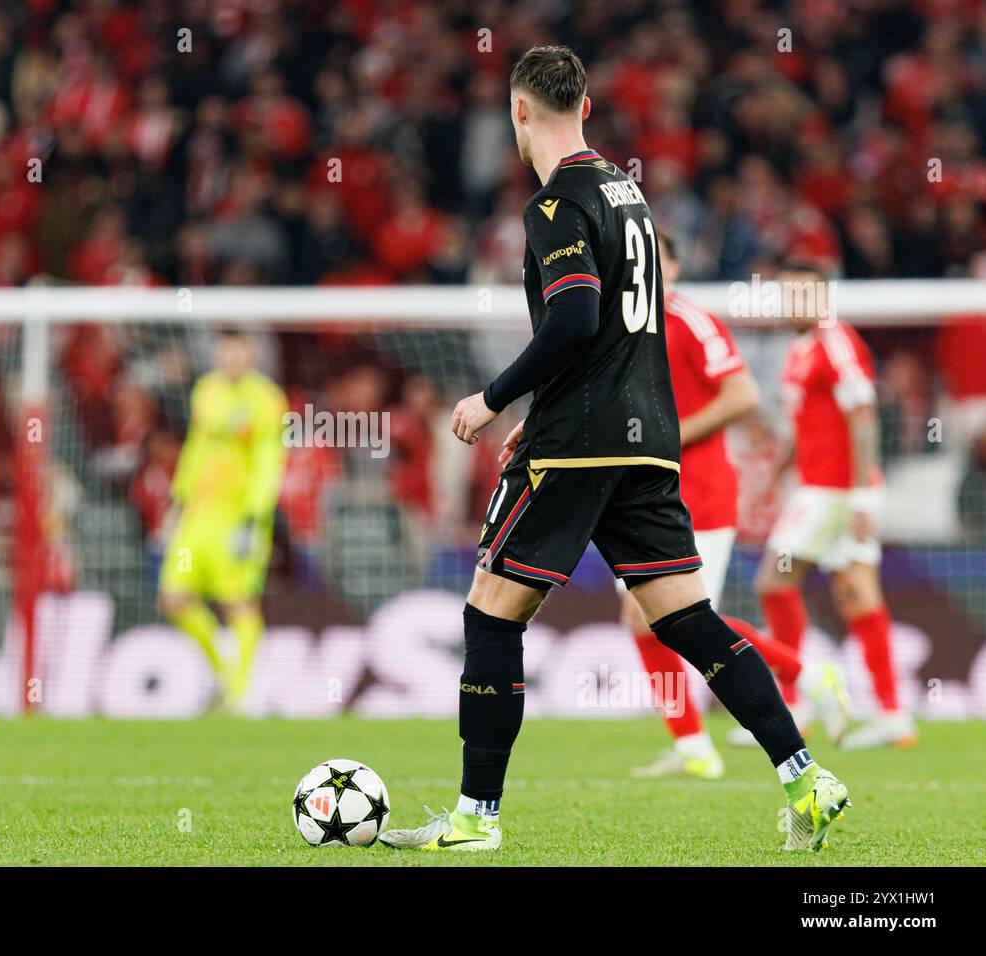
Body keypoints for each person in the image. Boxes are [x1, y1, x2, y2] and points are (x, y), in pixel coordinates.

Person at [379, 46, 849, 853]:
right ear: (586, 106)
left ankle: (473, 819)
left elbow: (575, 321)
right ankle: (806, 775)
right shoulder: (631, 196)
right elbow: (624, 330)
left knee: (491, 615)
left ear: (520, 113)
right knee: (690, 620)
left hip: (579, 446)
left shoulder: (556, 206)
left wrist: (493, 400)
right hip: (648, 439)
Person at [623, 232, 849, 780]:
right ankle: (694, 746)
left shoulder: (691, 321)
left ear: (674, 265)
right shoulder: (620, 323)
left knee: (680, 618)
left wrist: (668, 439)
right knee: (643, 620)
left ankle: (809, 677)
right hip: (638, 494)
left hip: (696, 493)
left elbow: (742, 396)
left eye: (660, 260)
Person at [754, 259, 914, 750]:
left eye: (801, 294)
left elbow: (863, 417)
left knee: (772, 581)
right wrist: (776, 476)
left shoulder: (835, 341)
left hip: (838, 492)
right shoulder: (800, 350)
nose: (791, 304)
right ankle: (892, 716)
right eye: (785, 295)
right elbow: (809, 428)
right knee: (858, 596)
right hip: (824, 487)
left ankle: (795, 703)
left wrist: (863, 492)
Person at [157, 331, 288, 710]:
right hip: (198, 515)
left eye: (237, 353)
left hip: (237, 518)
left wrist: (254, 517)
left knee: (238, 603)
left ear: (249, 357)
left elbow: (269, 460)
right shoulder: (206, 390)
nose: (230, 360)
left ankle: (241, 694)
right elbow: (196, 447)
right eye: (224, 353)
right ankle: (225, 671)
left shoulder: (265, 399)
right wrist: (178, 502)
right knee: (173, 598)